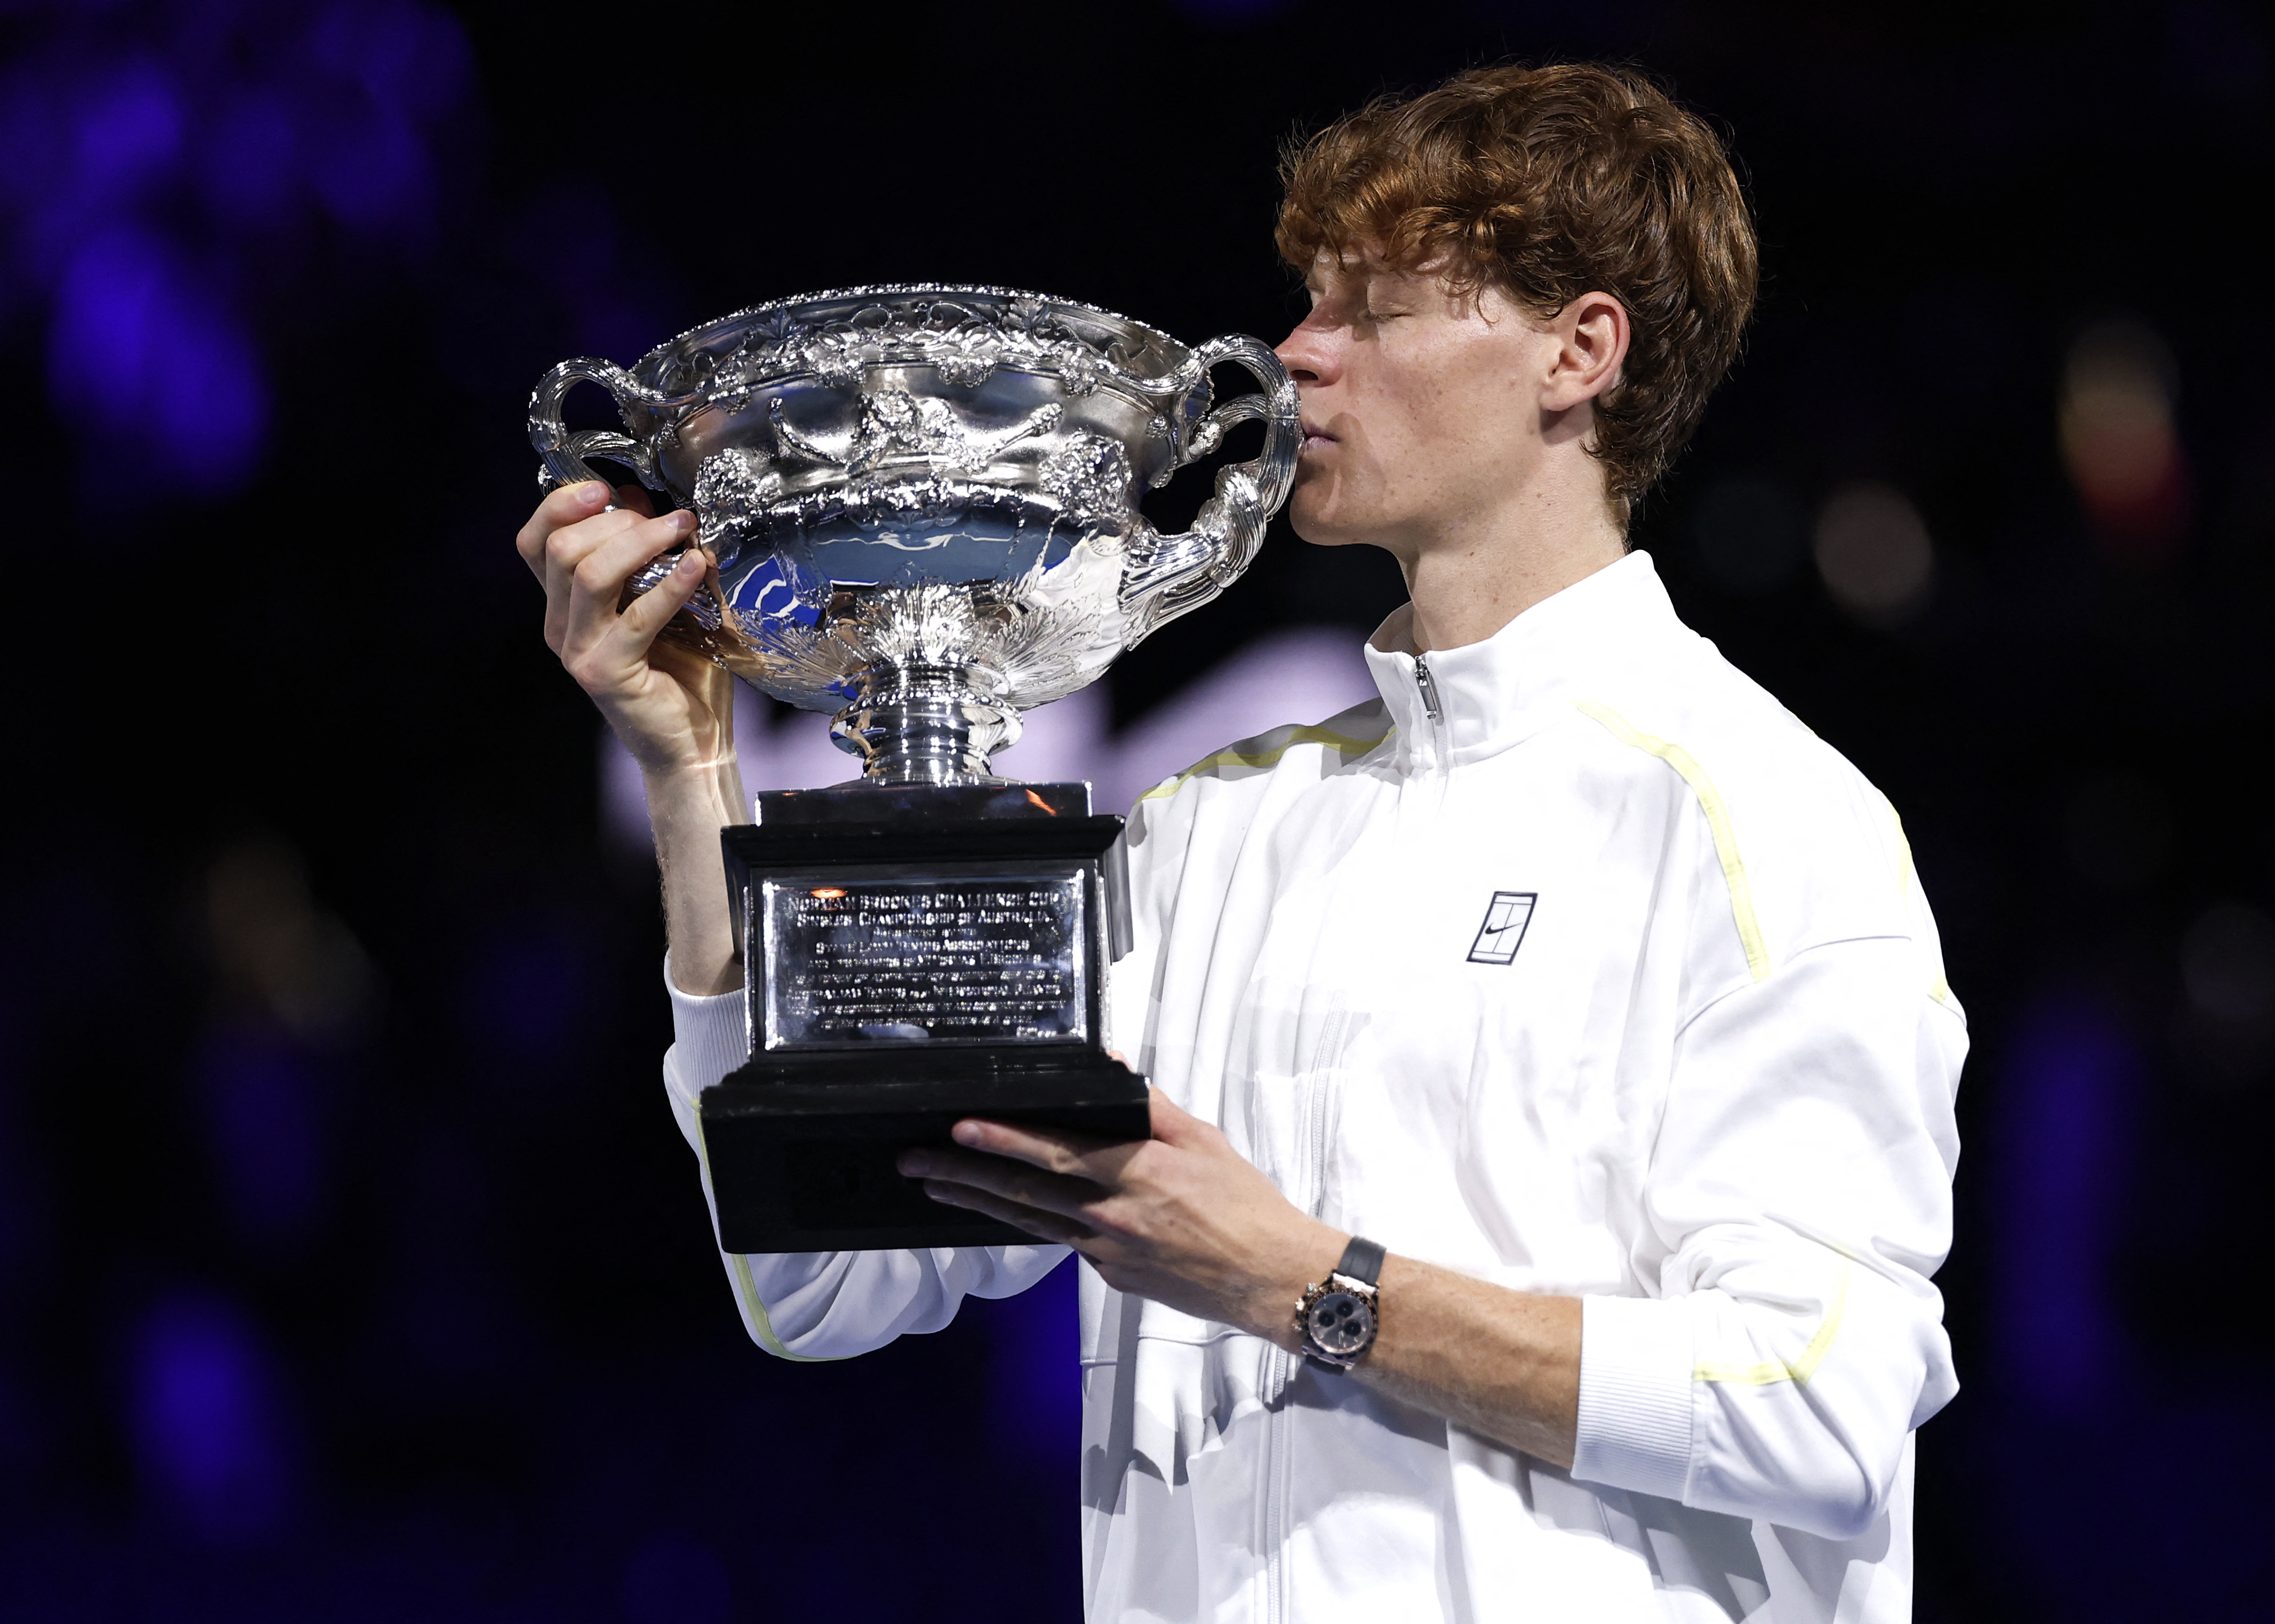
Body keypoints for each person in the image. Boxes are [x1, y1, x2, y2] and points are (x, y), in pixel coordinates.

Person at [516, 62, 1966, 1624]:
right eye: (1306, 300)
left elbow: (1819, 1405)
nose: (1297, 355)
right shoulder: (1210, 834)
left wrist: (1303, 1282)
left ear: (1578, 352)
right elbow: (828, 1280)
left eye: (1375, 310)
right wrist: (694, 774)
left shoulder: (1763, 818)